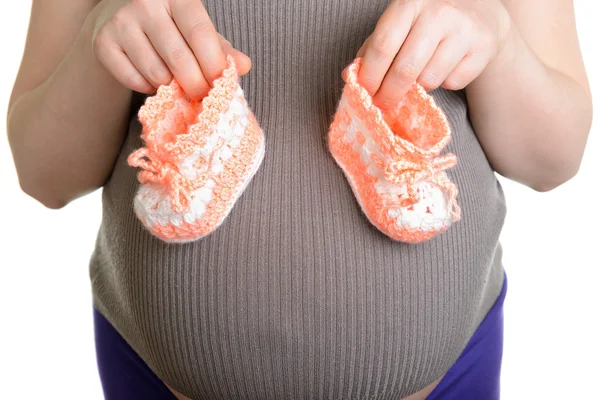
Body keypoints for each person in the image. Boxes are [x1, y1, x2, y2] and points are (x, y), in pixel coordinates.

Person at [6, 0, 592, 399]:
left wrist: (501, 38)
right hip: (154, 372)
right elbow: (45, 175)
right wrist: (96, 43)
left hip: (447, 374)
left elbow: (552, 162)